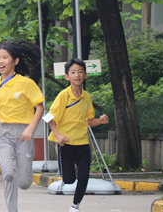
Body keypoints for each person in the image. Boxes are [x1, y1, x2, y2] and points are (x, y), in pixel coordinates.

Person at [0, 40, 45, 212]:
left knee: (24, 182)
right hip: (3, 134)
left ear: (15, 61)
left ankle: (23, 179)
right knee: (8, 173)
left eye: (5, 57)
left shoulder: (26, 83)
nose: (0, 61)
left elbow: (40, 108)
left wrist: (30, 128)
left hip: (23, 134)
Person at [42, 58, 109, 212]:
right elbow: (49, 117)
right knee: (69, 179)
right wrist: (58, 136)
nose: (77, 75)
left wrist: (100, 121)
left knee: (84, 176)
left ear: (85, 75)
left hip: (83, 143)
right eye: (73, 72)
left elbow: (89, 121)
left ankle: (75, 205)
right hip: (66, 143)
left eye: (80, 72)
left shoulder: (87, 97)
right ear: (67, 77)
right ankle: (68, 181)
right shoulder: (63, 96)